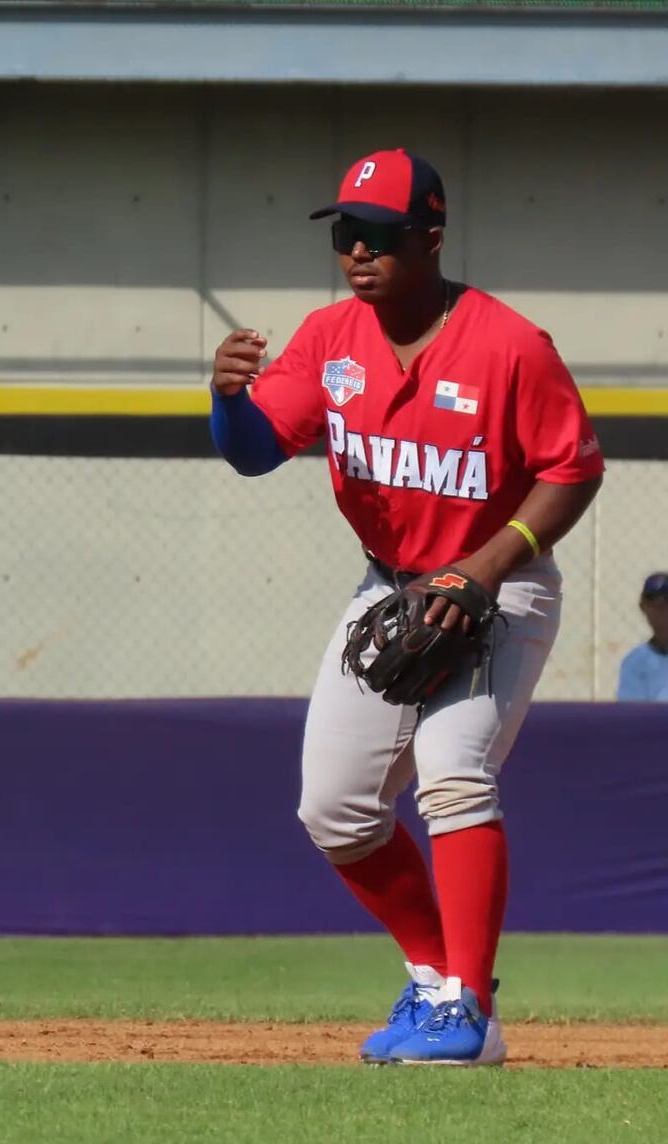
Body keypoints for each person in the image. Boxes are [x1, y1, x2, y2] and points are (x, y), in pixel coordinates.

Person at [210, 149, 603, 1065]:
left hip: (502, 582)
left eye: (381, 235)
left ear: (431, 237)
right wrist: (227, 401)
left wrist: (490, 564)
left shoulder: (510, 344)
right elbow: (257, 451)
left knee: (453, 768)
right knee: (333, 807)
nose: (359, 251)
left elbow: (571, 469)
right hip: (390, 588)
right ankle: (433, 979)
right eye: (347, 233)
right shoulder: (331, 337)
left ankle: (468, 1008)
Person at [616, 573, 668, 701]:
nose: (660, 610)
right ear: (643, 607)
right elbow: (631, 716)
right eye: (653, 603)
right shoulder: (634, 662)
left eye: (666, 602)